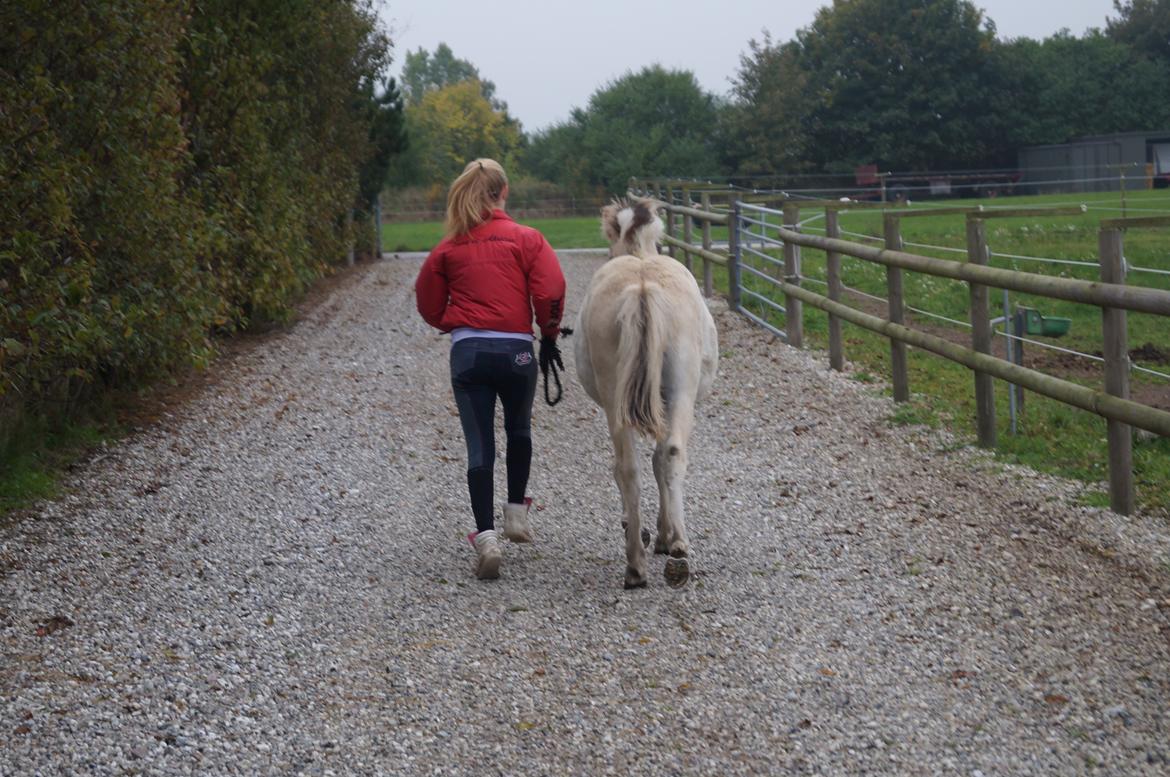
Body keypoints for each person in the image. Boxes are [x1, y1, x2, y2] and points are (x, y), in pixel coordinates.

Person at [415, 158, 566, 580]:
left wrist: (454, 323)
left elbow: (427, 300)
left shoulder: (448, 247)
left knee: (479, 445)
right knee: (519, 429)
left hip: (469, 354)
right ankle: (516, 512)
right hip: (517, 351)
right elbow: (551, 290)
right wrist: (548, 333)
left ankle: (485, 536)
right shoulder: (528, 239)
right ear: (504, 192)